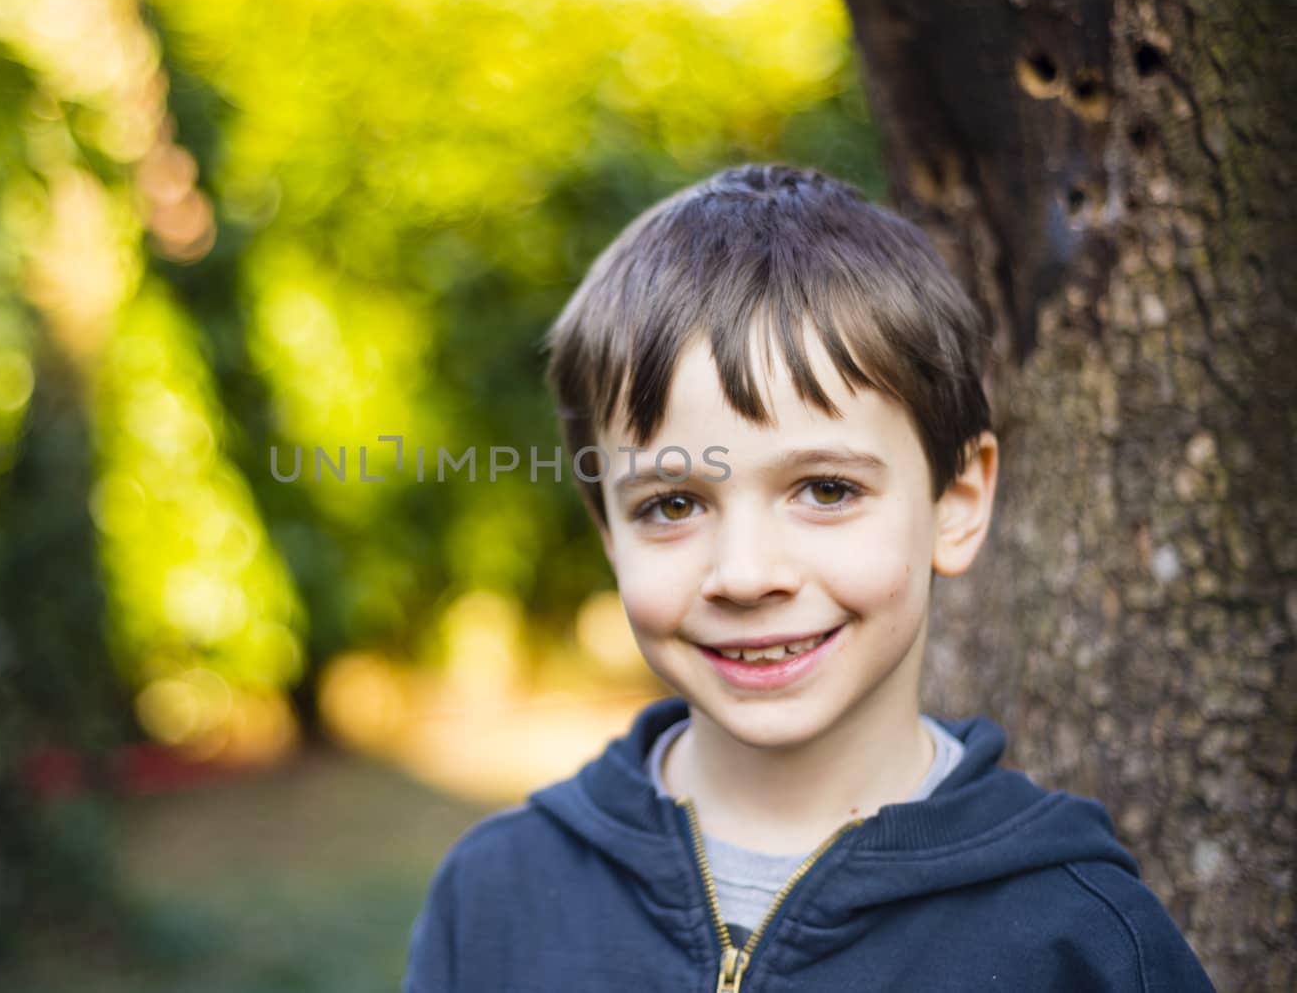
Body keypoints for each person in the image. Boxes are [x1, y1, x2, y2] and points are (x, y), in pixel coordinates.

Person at [401, 163, 1216, 992]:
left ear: (957, 504)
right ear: (608, 529)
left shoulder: (1081, 943)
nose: (747, 575)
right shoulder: (493, 901)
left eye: (827, 490)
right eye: (673, 503)